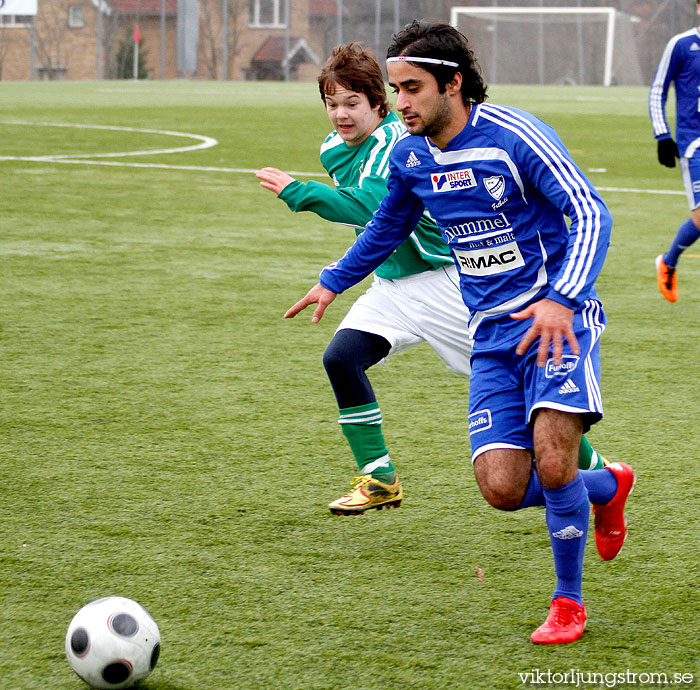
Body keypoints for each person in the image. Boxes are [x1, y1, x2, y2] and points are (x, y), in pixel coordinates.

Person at [284, 22, 635, 645]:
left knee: (553, 462)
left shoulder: (512, 136)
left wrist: (561, 299)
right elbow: (387, 224)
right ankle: (607, 485)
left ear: (453, 84)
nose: (401, 104)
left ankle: (567, 603)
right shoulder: (410, 156)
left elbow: (589, 211)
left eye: (412, 89)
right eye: (395, 91)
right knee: (503, 489)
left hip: (558, 323)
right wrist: (335, 280)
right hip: (493, 334)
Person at [257, 43, 608, 517]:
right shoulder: (349, 149)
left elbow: (368, 209)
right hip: (391, 286)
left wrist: (302, 194)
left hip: (445, 282)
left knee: (538, 416)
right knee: (341, 358)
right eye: (332, 104)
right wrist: (335, 280)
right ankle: (379, 476)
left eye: (353, 102)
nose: (340, 114)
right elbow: (384, 225)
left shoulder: (406, 144)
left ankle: (596, 474)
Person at [650, 0, 700, 302]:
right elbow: (658, 89)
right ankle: (668, 262)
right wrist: (662, 135)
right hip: (695, 142)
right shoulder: (682, 44)